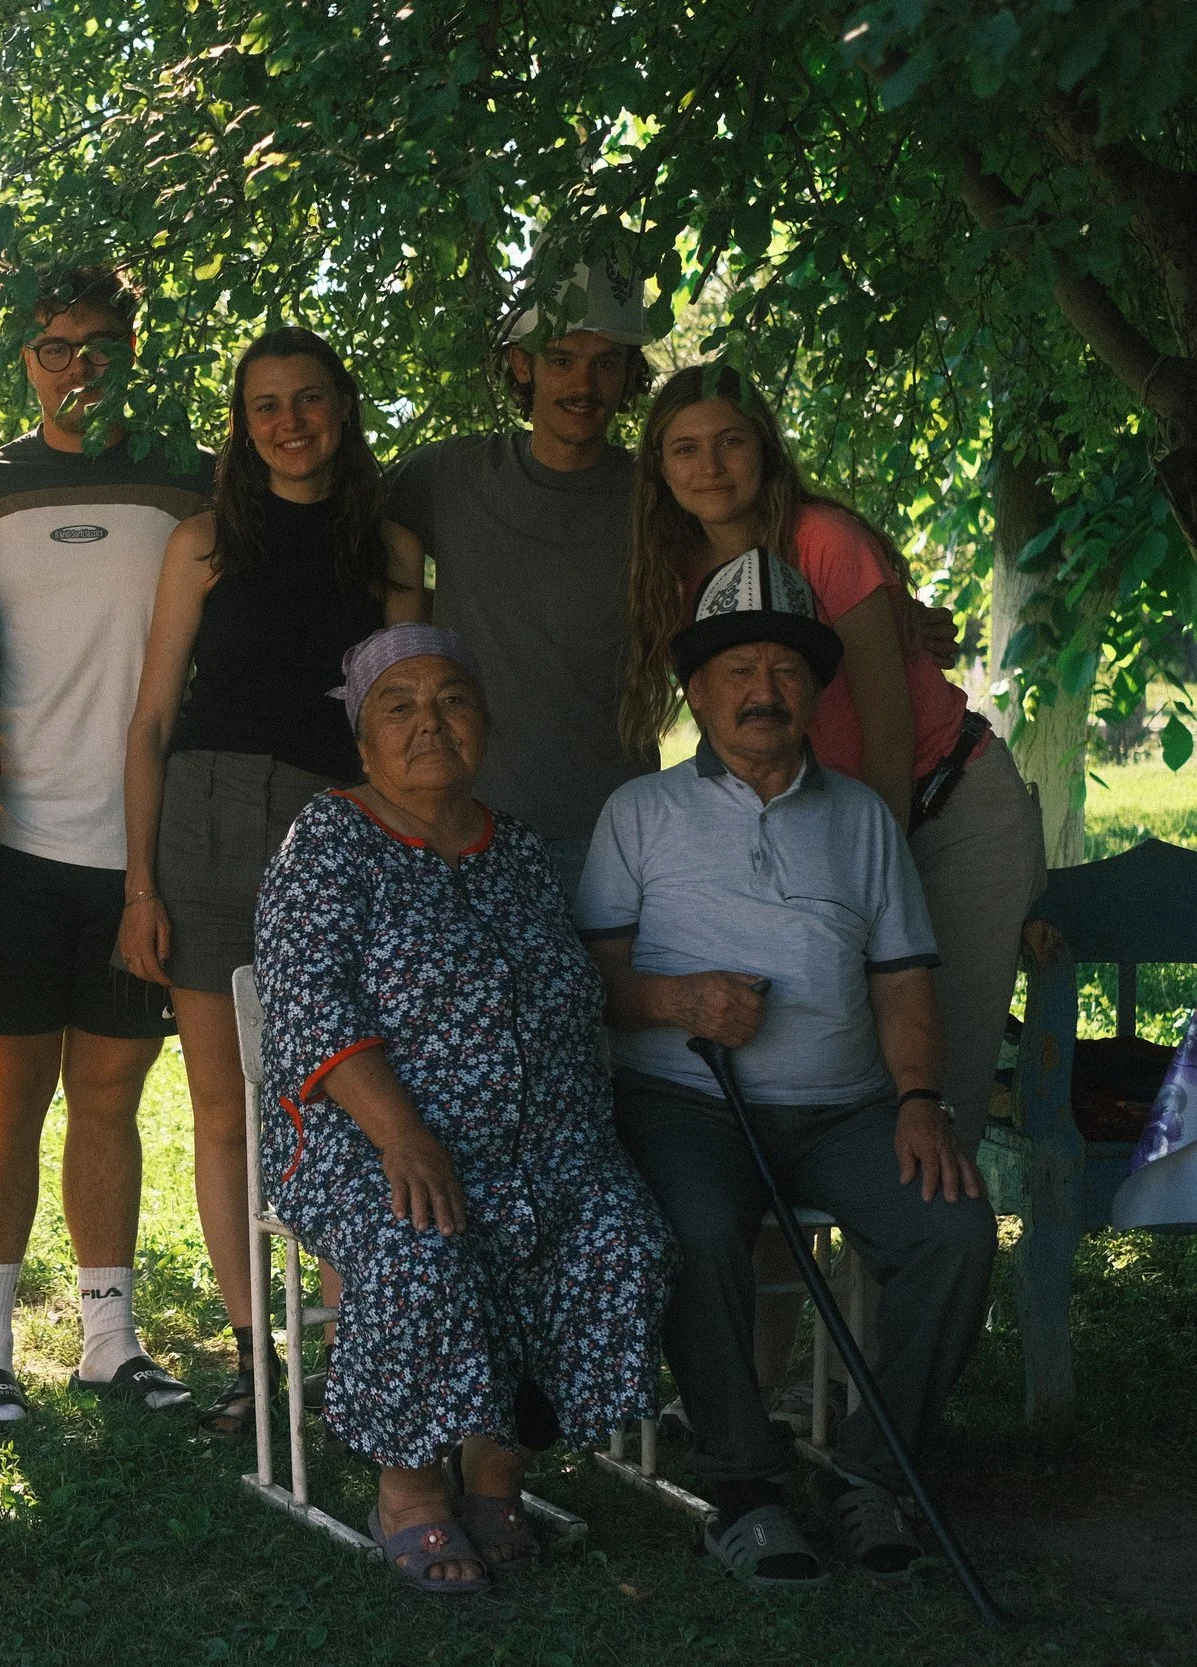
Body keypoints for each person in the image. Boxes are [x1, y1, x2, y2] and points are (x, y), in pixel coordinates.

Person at [579, 551, 995, 1588]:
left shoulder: (860, 818)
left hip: (849, 1106)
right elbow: (589, 981)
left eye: (784, 670)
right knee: (700, 1226)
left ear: (815, 690)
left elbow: (902, 983)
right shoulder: (637, 811)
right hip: (685, 1101)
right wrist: (679, 1001)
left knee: (952, 1228)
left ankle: (867, 1467)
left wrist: (916, 1103)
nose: (761, 690)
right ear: (696, 689)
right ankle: (744, 1486)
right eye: (735, 669)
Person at [254, 623, 672, 1595]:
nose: (427, 722)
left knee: (619, 1234)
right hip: (370, 1136)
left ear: (483, 724)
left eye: (450, 700)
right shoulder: (328, 841)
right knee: (421, 1238)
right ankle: (408, 1488)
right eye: (397, 706)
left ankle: (496, 1470)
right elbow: (311, 1002)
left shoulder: (513, 846)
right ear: (362, 740)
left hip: (540, 1137)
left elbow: (562, 990)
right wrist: (405, 1134)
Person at [117, 327, 427, 1434]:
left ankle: (352, 1356)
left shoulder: (388, 551)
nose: (288, 422)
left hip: (336, 830)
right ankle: (256, 1357)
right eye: (263, 407)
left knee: (333, 1091)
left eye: (307, 401)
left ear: (341, 411)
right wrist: (138, 885)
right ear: (241, 427)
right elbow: (152, 717)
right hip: (201, 816)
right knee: (221, 1102)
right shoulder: (203, 542)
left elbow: (403, 715)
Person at [621, 364, 1045, 1158]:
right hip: (827, 817)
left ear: (767, 452)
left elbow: (888, 730)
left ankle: (913, 1262)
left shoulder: (825, 542)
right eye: (685, 449)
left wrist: (862, 877)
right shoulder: (677, 574)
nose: (709, 467)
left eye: (730, 442)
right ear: (659, 470)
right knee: (818, 1067)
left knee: (929, 1079)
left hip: (947, 809)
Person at [0, 265, 214, 1430]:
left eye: (102, 344)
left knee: (110, 1089)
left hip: (140, 846)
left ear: (132, 351)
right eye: (56, 347)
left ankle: (110, 1340)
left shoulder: (192, 481)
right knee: (5, 1100)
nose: (80, 366)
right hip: (10, 844)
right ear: (24, 358)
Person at [379, 255, 665, 899]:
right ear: (521, 363)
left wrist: (890, 609)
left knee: (620, 1004)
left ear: (629, 376)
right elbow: (327, 528)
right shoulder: (447, 477)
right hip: (466, 827)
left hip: (620, 834)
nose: (583, 383)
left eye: (606, 362)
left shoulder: (661, 493)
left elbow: (766, 544)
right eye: (562, 358)